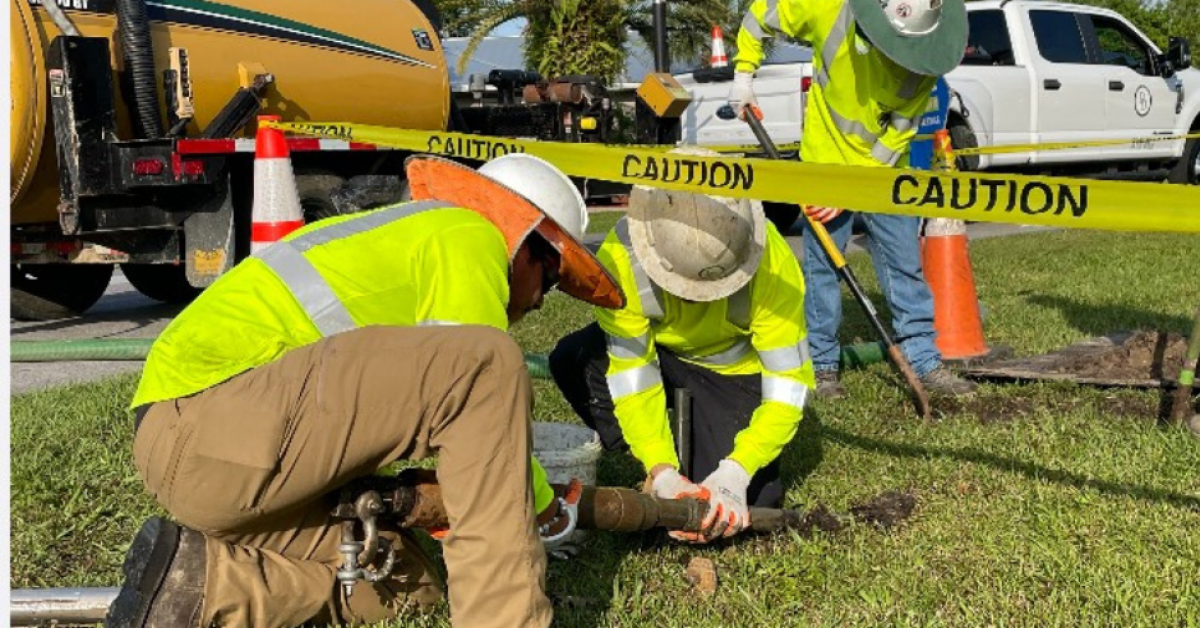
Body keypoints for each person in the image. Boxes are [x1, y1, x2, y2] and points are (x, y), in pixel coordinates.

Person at [106, 153, 625, 628]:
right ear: (526, 242)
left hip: (206, 465)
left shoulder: (404, 238)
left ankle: (202, 583)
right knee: (490, 364)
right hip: (210, 422)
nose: (540, 302)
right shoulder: (468, 234)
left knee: (402, 581)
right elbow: (474, 383)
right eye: (553, 278)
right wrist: (540, 504)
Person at [730, 0, 977, 398]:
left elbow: (900, 130)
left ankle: (923, 361)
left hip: (882, 169)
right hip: (824, 162)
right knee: (822, 269)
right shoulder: (826, 9)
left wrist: (853, 187)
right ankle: (823, 366)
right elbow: (760, 15)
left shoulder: (926, 59)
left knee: (904, 264)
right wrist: (743, 75)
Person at [550, 174, 814, 543]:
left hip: (729, 373)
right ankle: (653, 462)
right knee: (573, 359)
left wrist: (737, 471)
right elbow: (633, 379)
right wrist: (662, 470)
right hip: (664, 355)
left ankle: (697, 453)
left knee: (742, 511)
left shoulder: (772, 263)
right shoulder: (622, 258)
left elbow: (788, 388)